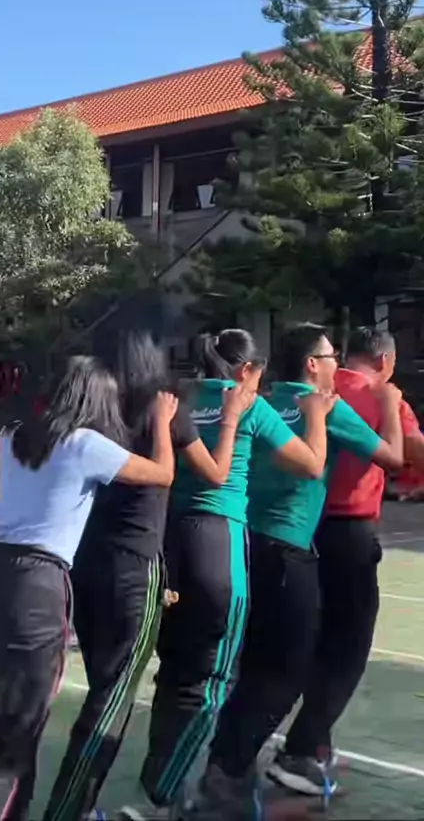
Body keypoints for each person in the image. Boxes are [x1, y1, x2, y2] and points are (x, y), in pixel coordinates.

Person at [120, 328, 338, 821]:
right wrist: (314, 416)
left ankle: (159, 784)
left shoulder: (182, 398)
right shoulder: (246, 405)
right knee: (214, 676)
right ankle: (170, 797)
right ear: (247, 370)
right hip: (219, 542)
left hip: (170, 539)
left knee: (175, 669)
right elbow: (311, 465)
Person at [0, 355, 181, 821]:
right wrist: (162, 422)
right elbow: (162, 474)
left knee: (7, 718)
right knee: (15, 730)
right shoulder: (86, 445)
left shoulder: (13, 435)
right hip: (36, 582)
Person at [44, 331, 255, 821]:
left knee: (104, 686)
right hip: (135, 567)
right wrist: (229, 420)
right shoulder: (164, 410)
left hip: (84, 564)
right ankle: (69, 809)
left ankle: (74, 805)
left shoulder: (92, 412)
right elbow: (216, 473)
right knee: (112, 699)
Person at [194, 323, 404, 817]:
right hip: (288, 549)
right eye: (330, 357)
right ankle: (226, 772)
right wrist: (391, 404)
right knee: (288, 672)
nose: (336, 365)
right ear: (312, 364)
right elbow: (394, 457)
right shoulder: (325, 407)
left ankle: (226, 765)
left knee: (257, 665)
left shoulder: (264, 403)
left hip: (246, 543)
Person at [270, 327, 423, 797]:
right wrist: (393, 408)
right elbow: (408, 452)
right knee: (348, 647)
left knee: (309, 640)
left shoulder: (302, 392)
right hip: (348, 530)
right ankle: (300, 748)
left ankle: (313, 742)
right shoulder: (380, 395)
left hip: (295, 528)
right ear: (385, 361)